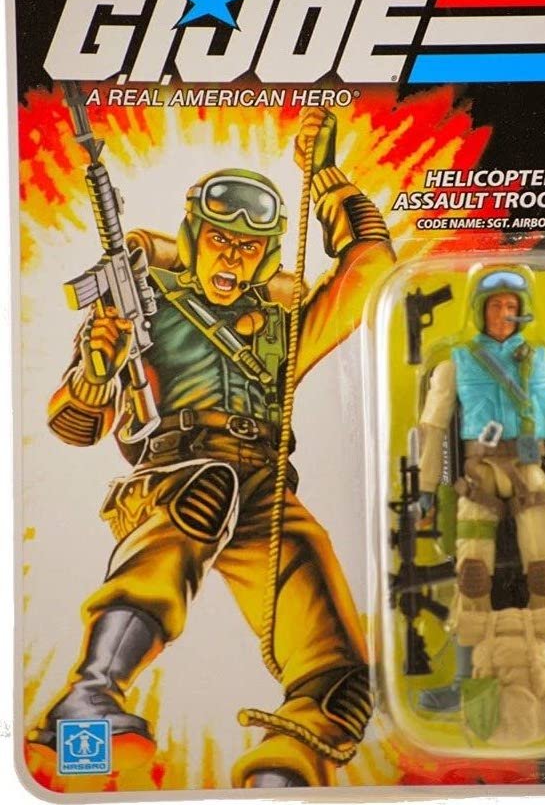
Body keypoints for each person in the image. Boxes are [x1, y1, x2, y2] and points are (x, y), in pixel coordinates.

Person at [27, 107, 395, 788]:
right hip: (175, 474)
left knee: (341, 679)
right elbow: (73, 426)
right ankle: (90, 694)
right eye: (220, 239)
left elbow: (370, 269)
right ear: (194, 235)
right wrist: (96, 371)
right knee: (206, 492)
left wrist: (328, 177)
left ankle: (284, 775)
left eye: (249, 246)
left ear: (269, 252)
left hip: (264, 488)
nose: (232, 257)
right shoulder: (145, 302)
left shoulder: (280, 326)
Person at [415, 269, 545, 714]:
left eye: (511, 306)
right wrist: (424, 490)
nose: (504, 313)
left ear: (524, 313)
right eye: (495, 306)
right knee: (471, 575)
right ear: (479, 311)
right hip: (478, 475)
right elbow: (431, 430)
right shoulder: (453, 366)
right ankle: (465, 683)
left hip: (531, 473)